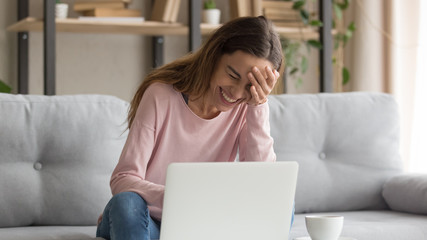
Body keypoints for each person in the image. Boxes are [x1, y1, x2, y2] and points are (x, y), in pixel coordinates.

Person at [96, 16, 287, 240]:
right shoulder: (161, 95)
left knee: (283, 205)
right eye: (232, 75)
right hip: (147, 220)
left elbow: (261, 185)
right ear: (214, 56)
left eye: (250, 86)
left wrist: (258, 106)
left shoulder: (246, 107)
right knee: (126, 204)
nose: (235, 93)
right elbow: (123, 178)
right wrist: (180, 199)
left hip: (201, 225)